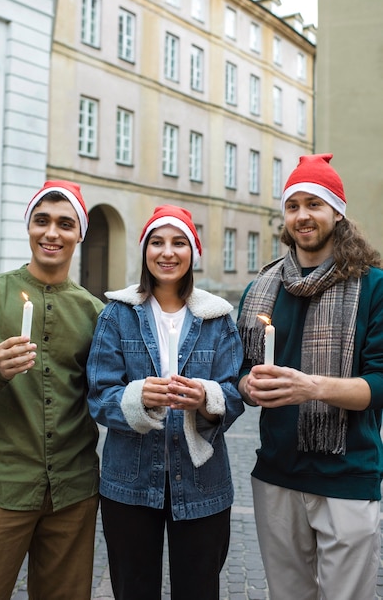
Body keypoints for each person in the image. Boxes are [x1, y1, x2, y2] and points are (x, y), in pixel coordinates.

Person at [237, 153, 383, 600]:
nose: (303, 215)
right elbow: (242, 374)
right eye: (293, 205)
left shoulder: (373, 285)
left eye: (314, 204)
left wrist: (311, 386)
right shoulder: (261, 287)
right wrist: (247, 386)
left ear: (337, 212)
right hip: (277, 473)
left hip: (347, 475)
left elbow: (378, 386)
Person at [87, 204, 245, 600]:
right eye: (157, 242)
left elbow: (233, 394)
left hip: (203, 484)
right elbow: (99, 395)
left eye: (179, 242)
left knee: (198, 590)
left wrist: (205, 398)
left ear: (193, 252)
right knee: (134, 589)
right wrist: (136, 397)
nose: (167, 252)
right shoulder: (117, 315)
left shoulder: (217, 318)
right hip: (130, 483)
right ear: (145, 251)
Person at [0, 180, 104, 599]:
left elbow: (106, 393)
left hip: (73, 491)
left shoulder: (96, 312)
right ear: (28, 227)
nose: (52, 233)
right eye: (41, 221)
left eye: (65, 224)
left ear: (79, 233)